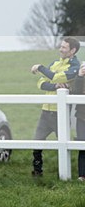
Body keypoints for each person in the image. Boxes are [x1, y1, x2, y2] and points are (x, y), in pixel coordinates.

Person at [30, 37, 81, 177]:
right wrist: (54, 86)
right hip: (46, 112)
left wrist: (40, 68)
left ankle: (65, 174)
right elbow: (40, 83)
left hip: (61, 113)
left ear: (72, 51)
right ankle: (37, 172)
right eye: (61, 46)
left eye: (64, 47)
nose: (60, 49)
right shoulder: (54, 63)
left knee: (64, 146)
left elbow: (56, 77)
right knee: (37, 142)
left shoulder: (75, 66)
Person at [72, 63, 85, 181]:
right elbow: (74, 93)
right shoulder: (81, 74)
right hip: (82, 117)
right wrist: (80, 76)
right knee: (82, 145)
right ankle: (82, 175)